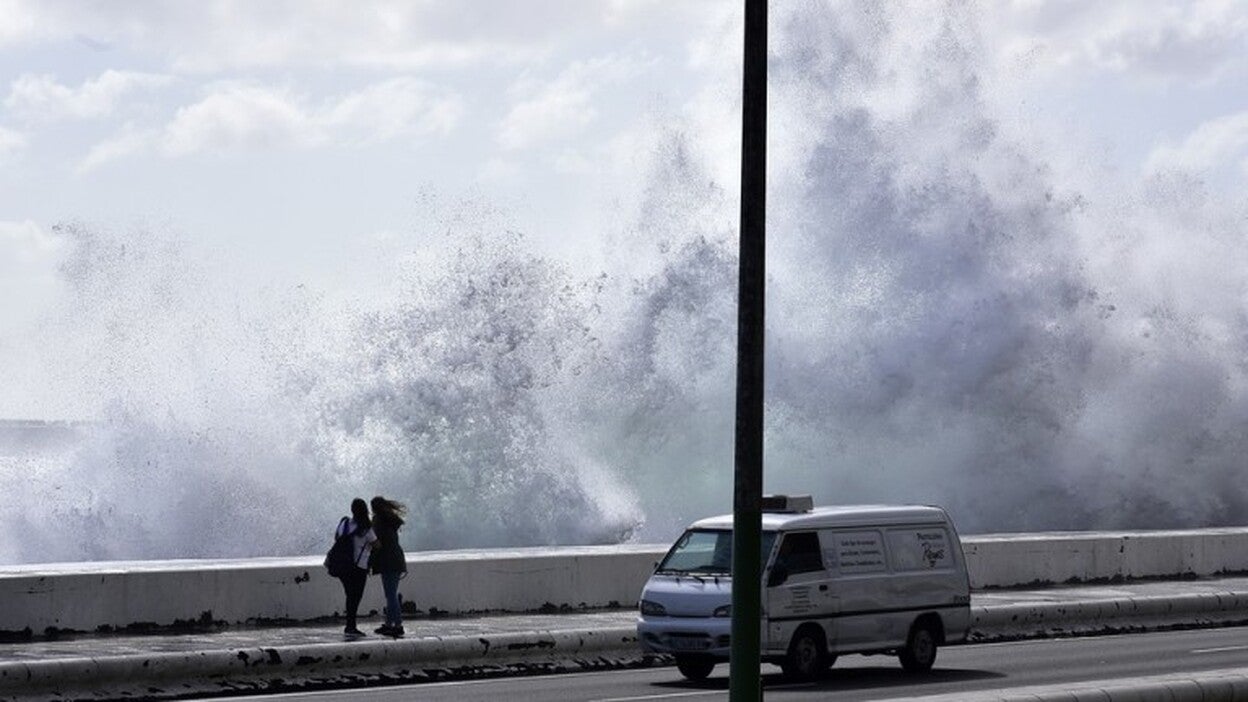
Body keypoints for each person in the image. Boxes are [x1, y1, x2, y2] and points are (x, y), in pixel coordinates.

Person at [336, 498, 377, 638]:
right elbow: (377, 545)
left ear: (352, 510)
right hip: (359, 567)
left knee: (349, 596)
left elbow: (336, 538)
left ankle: (350, 625)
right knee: (355, 597)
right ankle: (351, 626)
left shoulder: (344, 523)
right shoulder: (366, 527)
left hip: (342, 566)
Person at [369, 495, 409, 637]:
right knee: (391, 594)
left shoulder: (378, 521)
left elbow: (375, 542)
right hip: (397, 559)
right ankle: (389, 624)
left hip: (388, 561)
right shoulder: (390, 520)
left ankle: (397, 625)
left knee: (390, 594)